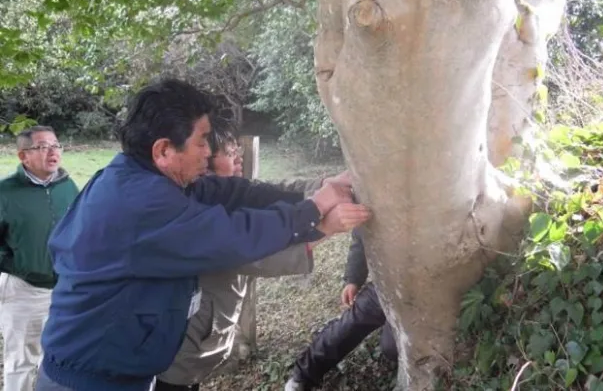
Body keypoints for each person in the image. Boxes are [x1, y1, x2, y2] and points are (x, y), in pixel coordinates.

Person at [35, 79, 370, 391]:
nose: (209, 152)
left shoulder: (149, 179)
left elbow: (239, 193)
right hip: (87, 382)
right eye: (202, 140)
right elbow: (234, 236)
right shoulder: (140, 203)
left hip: (120, 373)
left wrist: (323, 188)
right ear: (163, 150)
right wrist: (314, 212)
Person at [153, 118, 350, 391]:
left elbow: (275, 191)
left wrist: (328, 183)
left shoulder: (228, 193)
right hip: (178, 350)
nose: (238, 159)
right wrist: (326, 227)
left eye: (238, 152)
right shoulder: (202, 211)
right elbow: (257, 256)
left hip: (199, 341)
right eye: (230, 154)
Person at [0, 126, 79, 391]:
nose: (53, 151)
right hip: (23, 290)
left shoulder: (68, 186)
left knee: (57, 358)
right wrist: (16, 263)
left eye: (56, 145)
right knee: (21, 361)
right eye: (43, 146)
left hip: (64, 289)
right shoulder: (5, 192)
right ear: (24, 156)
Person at [284, 228, 397, 391]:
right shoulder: (377, 203)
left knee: (391, 348)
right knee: (350, 323)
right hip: (387, 282)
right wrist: (353, 279)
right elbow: (362, 236)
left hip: (428, 291)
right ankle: (302, 376)